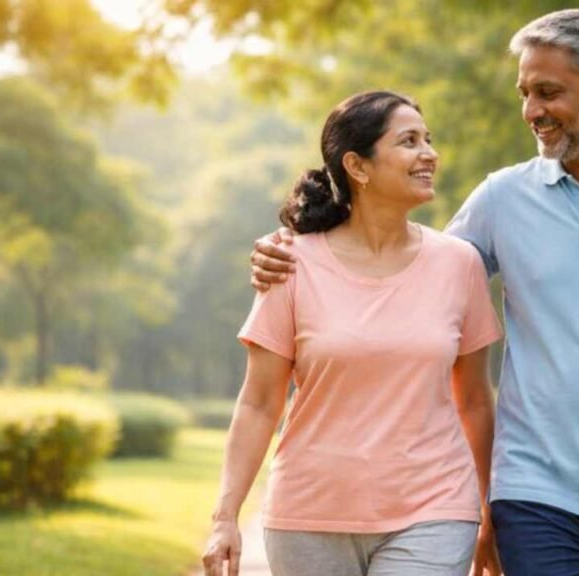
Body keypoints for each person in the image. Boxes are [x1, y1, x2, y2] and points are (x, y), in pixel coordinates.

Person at [249, 9, 579, 576]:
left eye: (548, 92)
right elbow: (406, 269)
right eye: (525, 93)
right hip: (535, 493)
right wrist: (299, 247)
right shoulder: (502, 198)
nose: (531, 112)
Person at [202, 91, 504, 576]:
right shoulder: (291, 263)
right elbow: (260, 401)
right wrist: (225, 517)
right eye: (409, 142)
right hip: (309, 513)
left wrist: (493, 512)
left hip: (435, 507)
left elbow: (474, 399)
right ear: (357, 167)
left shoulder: (459, 264)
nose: (429, 153)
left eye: (428, 139)